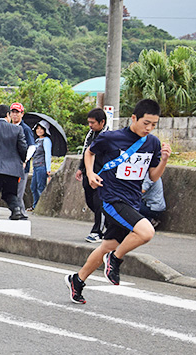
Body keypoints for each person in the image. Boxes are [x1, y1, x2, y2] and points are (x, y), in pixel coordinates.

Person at [65, 99, 171, 304]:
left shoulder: (153, 143)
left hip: (132, 200)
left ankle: (77, 280)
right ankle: (115, 259)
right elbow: (90, 152)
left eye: (154, 125)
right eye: (145, 123)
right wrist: (90, 173)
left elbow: (154, 176)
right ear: (134, 118)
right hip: (111, 198)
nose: (149, 128)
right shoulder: (112, 137)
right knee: (146, 232)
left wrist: (164, 160)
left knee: (106, 246)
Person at [76, 108, 109, 243]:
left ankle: (97, 231)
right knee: (90, 202)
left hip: (101, 174)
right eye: (89, 122)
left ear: (102, 122)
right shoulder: (91, 134)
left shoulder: (108, 136)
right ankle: (108, 225)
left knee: (99, 203)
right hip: (88, 173)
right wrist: (81, 168)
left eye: (93, 123)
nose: (90, 125)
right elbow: (86, 151)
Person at [8, 103, 36, 215]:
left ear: (22, 114)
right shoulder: (9, 127)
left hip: (21, 166)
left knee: (18, 193)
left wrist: (25, 160)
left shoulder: (25, 129)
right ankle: (20, 213)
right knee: (12, 192)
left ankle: (20, 213)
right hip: (10, 165)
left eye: (17, 112)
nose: (14, 115)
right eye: (12, 112)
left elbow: (32, 146)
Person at [30, 120, 52, 210]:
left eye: (41, 129)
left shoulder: (46, 140)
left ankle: (41, 207)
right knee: (33, 187)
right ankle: (35, 205)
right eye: (37, 128)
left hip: (41, 166)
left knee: (40, 187)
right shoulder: (37, 140)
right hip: (35, 166)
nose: (39, 130)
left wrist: (48, 169)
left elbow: (48, 154)